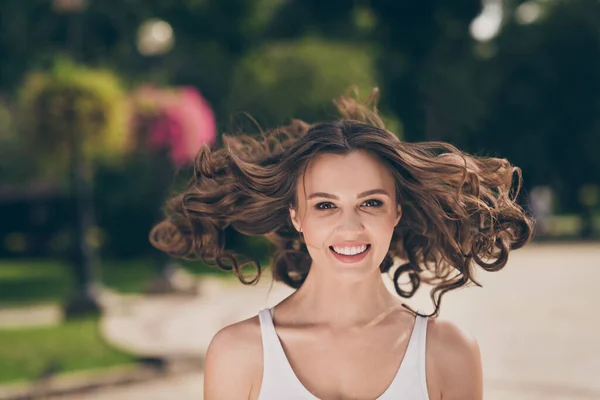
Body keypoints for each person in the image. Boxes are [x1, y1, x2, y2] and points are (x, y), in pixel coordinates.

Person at [150, 89, 534, 400]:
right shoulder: (239, 353)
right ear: (296, 216)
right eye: (325, 205)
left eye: (370, 203)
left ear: (396, 212)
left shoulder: (448, 352)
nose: (350, 227)